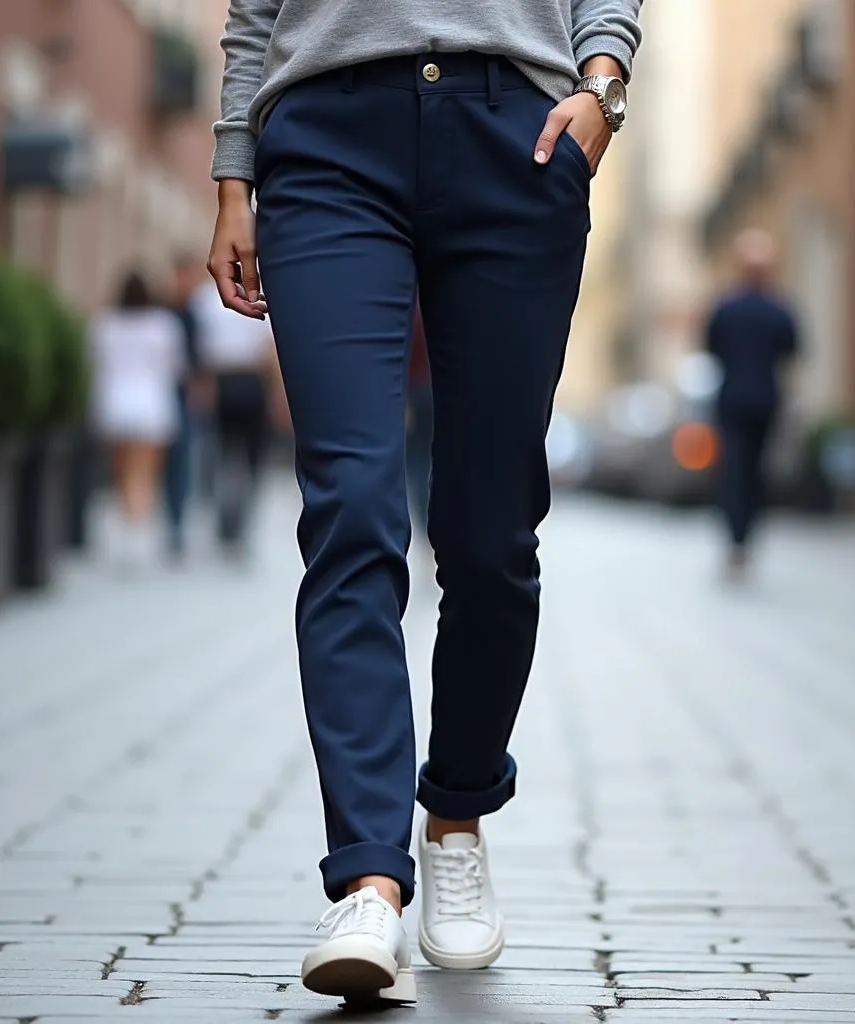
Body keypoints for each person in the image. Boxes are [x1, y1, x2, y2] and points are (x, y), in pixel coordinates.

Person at [208, 0, 642, 1004]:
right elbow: (252, 13)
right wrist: (235, 174)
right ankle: (366, 878)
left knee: (490, 540)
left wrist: (602, 89)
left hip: (517, 138)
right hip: (325, 142)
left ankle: (454, 811)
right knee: (352, 510)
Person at [706, 229, 800, 576]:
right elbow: (792, 352)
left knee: (734, 472)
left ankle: (736, 543)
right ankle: (747, 542)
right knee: (756, 472)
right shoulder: (779, 310)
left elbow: (711, 348)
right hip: (765, 401)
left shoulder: (725, 309)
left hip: (731, 401)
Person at [89, 271, 184, 568]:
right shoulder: (163, 326)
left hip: (115, 405)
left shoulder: (105, 324)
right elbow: (175, 368)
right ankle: (137, 535)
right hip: (151, 406)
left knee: (120, 474)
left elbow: (95, 366)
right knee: (144, 474)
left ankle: (127, 531)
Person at [190, 279, 275, 556]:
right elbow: (269, 349)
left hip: (224, 381)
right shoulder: (261, 292)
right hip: (248, 380)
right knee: (248, 459)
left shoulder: (205, 296)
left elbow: (199, 347)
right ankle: (238, 524)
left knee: (224, 455)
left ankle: (228, 523)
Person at [163, 255, 209, 560]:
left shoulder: (197, 315)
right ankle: (164, 519)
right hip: (161, 394)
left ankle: (176, 524)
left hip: (184, 397)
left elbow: (202, 357)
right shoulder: (164, 313)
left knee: (183, 461)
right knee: (168, 462)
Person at [405, 306, 433, 559]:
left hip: (420, 396)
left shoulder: (412, 313)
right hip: (425, 395)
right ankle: (426, 537)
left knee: (418, 469)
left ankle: (427, 537)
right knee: (420, 468)